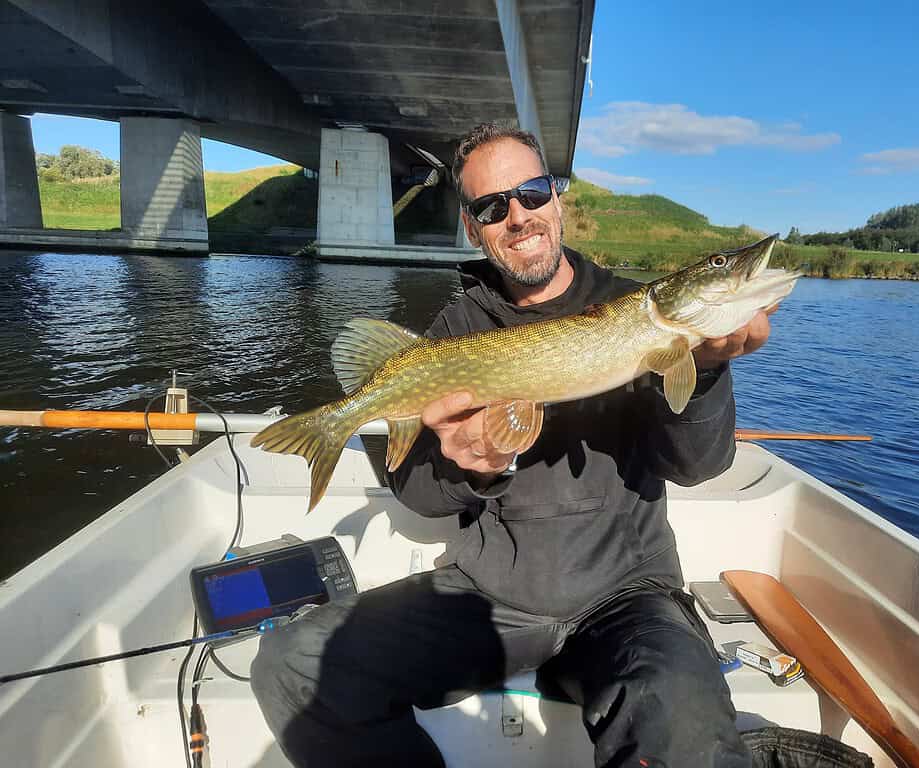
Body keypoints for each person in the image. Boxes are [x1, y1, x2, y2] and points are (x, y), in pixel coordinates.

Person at [251, 124, 775, 767]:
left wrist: (710, 370)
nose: (518, 216)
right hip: (491, 596)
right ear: (474, 228)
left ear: (556, 199)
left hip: (628, 596)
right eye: (492, 207)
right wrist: (461, 462)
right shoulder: (459, 326)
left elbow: (697, 466)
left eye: (531, 193)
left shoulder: (632, 312)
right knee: (291, 665)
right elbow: (417, 493)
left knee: (685, 721)